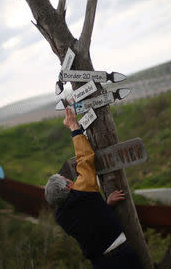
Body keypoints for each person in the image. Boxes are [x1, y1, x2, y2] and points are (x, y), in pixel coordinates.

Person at [45, 107, 143, 269]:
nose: (71, 179)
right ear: (68, 186)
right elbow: (84, 158)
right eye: (67, 179)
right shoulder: (82, 192)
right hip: (123, 257)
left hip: (100, 264)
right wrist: (74, 127)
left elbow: (88, 222)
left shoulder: (61, 217)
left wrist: (105, 206)